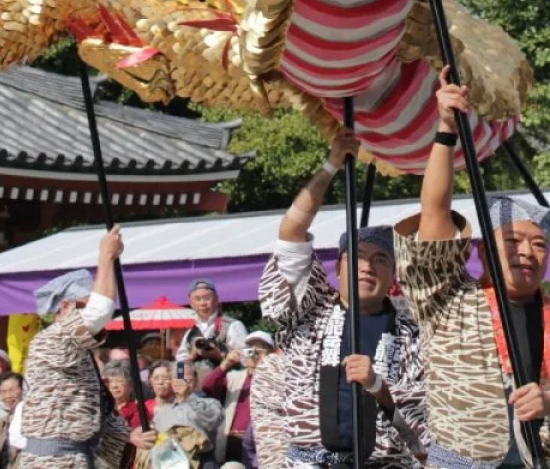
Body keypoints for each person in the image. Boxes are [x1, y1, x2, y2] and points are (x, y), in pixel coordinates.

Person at [395, 71, 550, 467]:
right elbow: (434, 216)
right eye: (513, 241)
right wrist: (447, 129)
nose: (527, 252)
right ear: (484, 253)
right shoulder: (449, 304)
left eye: (539, 244)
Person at [259, 131, 428, 468]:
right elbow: (291, 234)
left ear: (392, 273)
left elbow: (423, 437)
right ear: (337, 267)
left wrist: (378, 387)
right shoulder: (310, 312)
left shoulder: (414, 332)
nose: (368, 267)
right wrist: (331, 164)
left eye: (381, 260)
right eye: (359, 258)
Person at [13, 228, 155, 469]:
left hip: (73, 457)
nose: (93, 316)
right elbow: (99, 312)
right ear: (67, 307)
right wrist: (105, 257)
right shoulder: (53, 339)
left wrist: (129, 436)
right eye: (84, 306)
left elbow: (97, 407)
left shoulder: (78, 350)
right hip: (52, 460)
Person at [198, 332, 275, 466]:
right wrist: (226, 363)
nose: (255, 356)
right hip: (231, 442)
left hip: (259, 446)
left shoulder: (275, 381)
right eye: (251, 351)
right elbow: (207, 387)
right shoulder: (235, 377)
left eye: (260, 351)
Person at [176, 279, 247, 365]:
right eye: (197, 299)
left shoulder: (233, 326)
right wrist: (191, 357)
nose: (202, 303)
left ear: (216, 299)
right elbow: (179, 367)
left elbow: (247, 361)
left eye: (207, 298)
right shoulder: (190, 333)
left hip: (225, 377)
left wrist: (220, 356)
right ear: (191, 303)